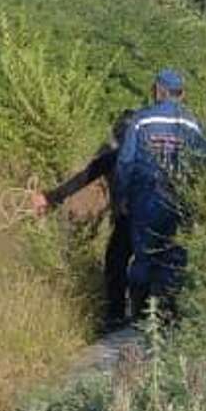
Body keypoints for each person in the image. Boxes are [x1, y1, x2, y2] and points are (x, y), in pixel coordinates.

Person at [115, 68, 206, 321]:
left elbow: (125, 163)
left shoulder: (141, 120)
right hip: (180, 201)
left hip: (145, 199)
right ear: (181, 94)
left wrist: (121, 197)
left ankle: (139, 315)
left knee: (144, 254)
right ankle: (168, 314)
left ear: (159, 90)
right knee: (174, 256)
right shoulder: (194, 124)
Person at [29, 111, 137, 330]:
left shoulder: (114, 155)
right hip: (150, 218)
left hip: (128, 219)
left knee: (115, 264)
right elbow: (85, 177)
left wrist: (50, 198)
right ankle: (148, 313)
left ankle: (116, 316)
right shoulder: (149, 154)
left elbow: (84, 177)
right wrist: (50, 197)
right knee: (131, 263)